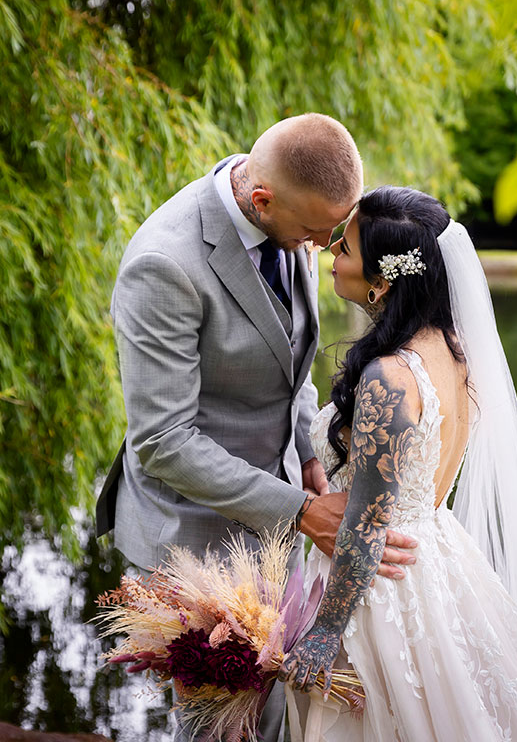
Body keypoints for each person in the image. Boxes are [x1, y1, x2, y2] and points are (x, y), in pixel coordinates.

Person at [94, 115, 417, 742]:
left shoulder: (290, 220)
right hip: (191, 534)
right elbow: (162, 443)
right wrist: (302, 509)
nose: (327, 249)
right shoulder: (165, 264)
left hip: (279, 517)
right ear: (261, 201)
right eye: (317, 234)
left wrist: (313, 464)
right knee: (223, 730)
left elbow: (290, 371)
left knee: (278, 720)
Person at [279, 186, 517, 741]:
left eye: (347, 248)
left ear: (382, 282)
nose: (332, 254)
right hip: (438, 557)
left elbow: (365, 525)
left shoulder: (389, 378)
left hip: (381, 580)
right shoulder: (453, 349)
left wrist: (325, 632)